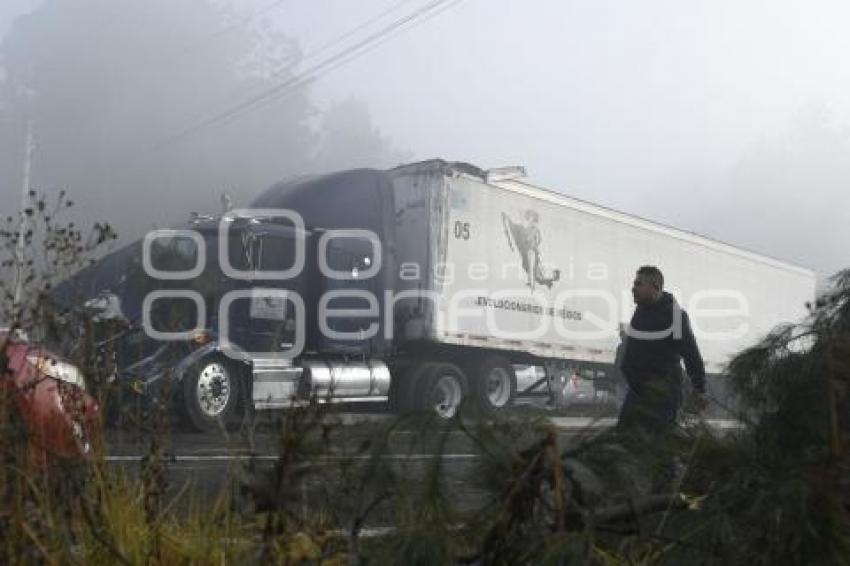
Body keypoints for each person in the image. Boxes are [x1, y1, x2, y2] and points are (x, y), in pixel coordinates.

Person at [616, 266, 707, 488]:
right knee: (623, 434)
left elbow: (691, 353)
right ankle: (623, 484)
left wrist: (700, 388)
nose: (633, 288)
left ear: (655, 287)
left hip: (662, 392)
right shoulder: (641, 311)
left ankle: (665, 491)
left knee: (662, 444)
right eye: (634, 283)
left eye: (638, 284)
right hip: (638, 390)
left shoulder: (675, 315)